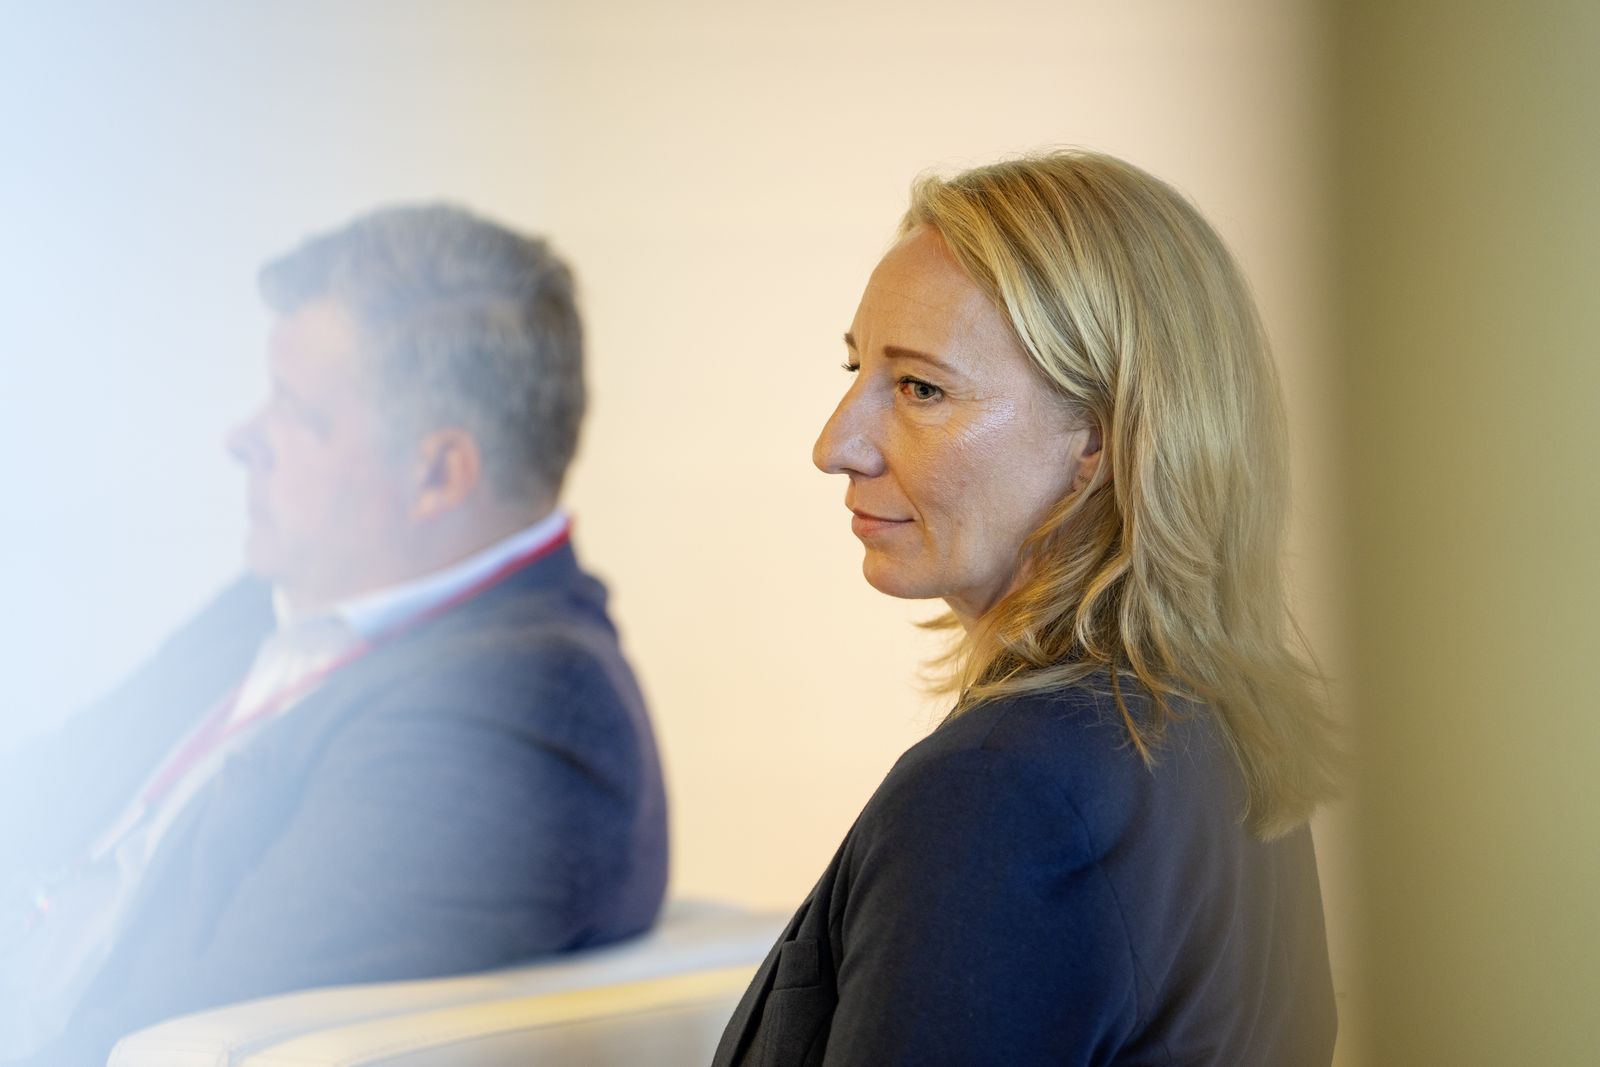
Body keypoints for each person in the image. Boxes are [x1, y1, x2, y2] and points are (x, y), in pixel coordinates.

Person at [0, 205, 668, 1065]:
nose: (242, 438)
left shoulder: (526, 715)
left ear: (437, 472)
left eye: (295, 409)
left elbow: (182, 1022)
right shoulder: (284, 598)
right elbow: (47, 789)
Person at [714, 151, 1341, 1066]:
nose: (836, 443)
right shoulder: (1216, 731)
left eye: (920, 388)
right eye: (856, 367)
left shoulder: (996, 792)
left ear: (1096, 439)